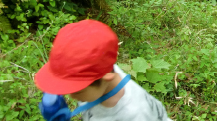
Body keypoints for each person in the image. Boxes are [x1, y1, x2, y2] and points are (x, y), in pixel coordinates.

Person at [34, 20, 172, 121]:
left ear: (106, 77)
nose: (71, 96)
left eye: (77, 90)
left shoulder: (135, 114)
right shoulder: (101, 71)